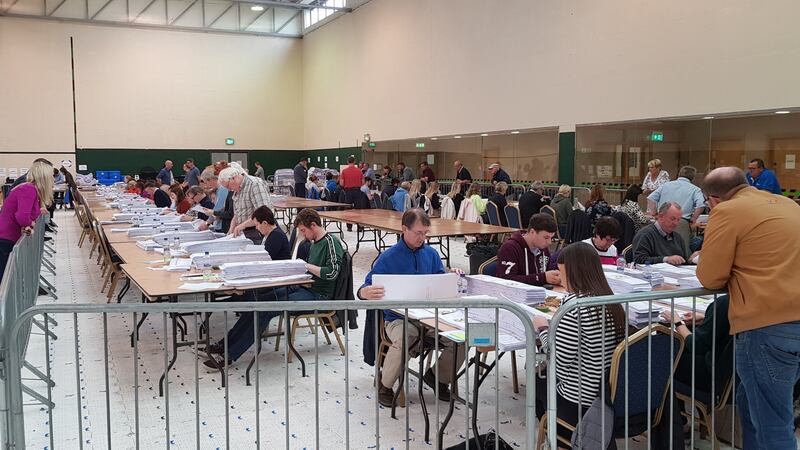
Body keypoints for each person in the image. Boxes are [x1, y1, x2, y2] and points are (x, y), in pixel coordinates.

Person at [696, 167, 800, 450]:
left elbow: (710, 276)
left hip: (767, 325)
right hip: (792, 321)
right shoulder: (787, 204)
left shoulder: (727, 212)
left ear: (713, 200)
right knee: (750, 401)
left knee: (773, 423)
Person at [358, 209, 465, 406]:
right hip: (397, 318)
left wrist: (453, 276)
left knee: (460, 339)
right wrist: (364, 292)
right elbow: (366, 286)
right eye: (418, 233)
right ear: (404, 229)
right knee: (406, 336)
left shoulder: (431, 254)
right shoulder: (388, 257)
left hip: (430, 316)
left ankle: (437, 377)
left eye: (425, 233)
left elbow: (441, 282)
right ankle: (385, 384)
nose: (422, 237)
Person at [532, 242, 626, 444]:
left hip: (579, 399)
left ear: (574, 273)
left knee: (535, 378)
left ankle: (558, 436)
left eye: (562, 273)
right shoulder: (612, 302)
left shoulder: (574, 307)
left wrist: (542, 329)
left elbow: (557, 359)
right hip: (608, 392)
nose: (561, 279)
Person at [203, 206, 292, 368]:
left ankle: (230, 352)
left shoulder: (275, 237)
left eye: (257, 225)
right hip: (265, 282)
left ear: (265, 222)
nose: (256, 229)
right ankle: (224, 345)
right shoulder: (271, 235)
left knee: (251, 309)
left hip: (273, 285)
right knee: (246, 309)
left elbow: (262, 263)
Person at [661, 295, 731, 396]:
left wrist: (677, 322)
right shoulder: (748, 300)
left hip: (714, 376)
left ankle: (663, 409)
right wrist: (706, 319)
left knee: (664, 358)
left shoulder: (724, 302)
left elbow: (695, 345)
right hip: (733, 375)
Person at [0, 161, 51, 279]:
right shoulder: (29, 189)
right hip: (6, 238)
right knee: (4, 278)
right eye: (51, 177)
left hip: (8, 237)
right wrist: (30, 224)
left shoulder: (30, 189)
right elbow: (22, 216)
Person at [647, 165, 705, 257]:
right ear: (693, 177)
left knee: (660, 248)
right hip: (681, 222)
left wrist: (655, 214)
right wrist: (693, 219)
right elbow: (701, 205)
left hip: (662, 220)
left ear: (679, 174)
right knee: (681, 252)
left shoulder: (665, 185)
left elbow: (651, 198)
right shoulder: (695, 189)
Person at [495, 213, 560, 286]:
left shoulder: (543, 249)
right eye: (546, 237)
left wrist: (554, 278)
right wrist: (542, 278)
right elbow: (505, 280)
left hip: (540, 293)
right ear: (532, 232)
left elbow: (546, 274)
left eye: (551, 238)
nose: (549, 242)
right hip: (515, 295)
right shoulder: (510, 248)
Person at [219, 163, 273, 243]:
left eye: (228, 186)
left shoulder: (254, 184)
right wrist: (231, 228)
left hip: (258, 231)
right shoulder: (236, 189)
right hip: (245, 232)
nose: (229, 190)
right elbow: (237, 213)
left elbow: (265, 213)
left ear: (233, 178)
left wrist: (242, 225)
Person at [198, 166, 232, 232]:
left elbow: (218, 208)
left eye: (206, 182)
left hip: (224, 226)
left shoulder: (222, 188)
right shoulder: (219, 189)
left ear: (210, 179)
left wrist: (207, 223)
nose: (206, 185)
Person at [340, 156, 363, 231]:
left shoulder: (344, 171)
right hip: (357, 191)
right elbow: (363, 183)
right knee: (358, 209)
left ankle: (349, 226)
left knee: (348, 209)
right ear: (354, 162)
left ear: (347, 162)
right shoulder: (359, 171)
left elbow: (341, 183)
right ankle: (359, 226)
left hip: (348, 191)